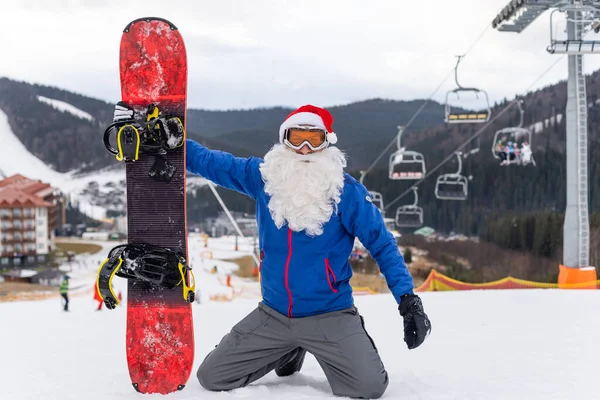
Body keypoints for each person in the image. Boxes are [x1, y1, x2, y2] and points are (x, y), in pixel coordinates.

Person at [114, 103, 432, 399]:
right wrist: (178, 144)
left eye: (314, 140)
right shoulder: (263, 177)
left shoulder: (345, 193)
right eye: (297, 138)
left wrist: (408, 301)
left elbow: (382, 244)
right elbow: (211, 163)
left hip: (330, 314)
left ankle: (314, 344)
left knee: (370, 387)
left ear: (327, 143)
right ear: (284, 140)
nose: (305, 148)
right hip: (274, 315)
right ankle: (287, 348)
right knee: (212, 377)